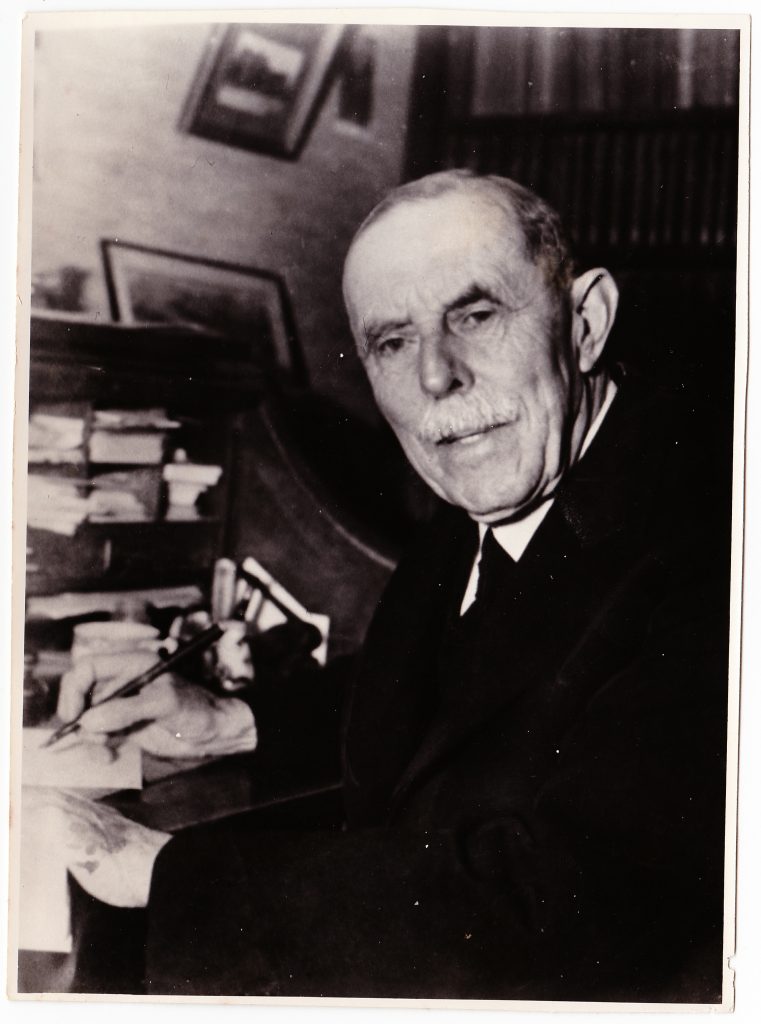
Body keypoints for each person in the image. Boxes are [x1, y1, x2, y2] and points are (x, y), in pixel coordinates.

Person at [33, 170, 731, 1001]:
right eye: (392, 341)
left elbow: (573, 907)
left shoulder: (709, 545)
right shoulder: (483, 484)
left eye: (475, 315)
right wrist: (227, 722)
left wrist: (165, 869)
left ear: (584, 324)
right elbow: (443, 691)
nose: (436, 376)